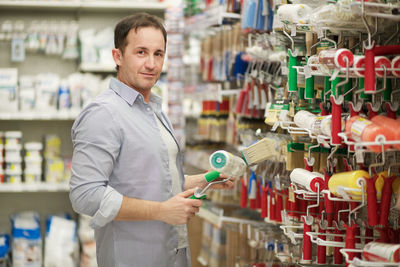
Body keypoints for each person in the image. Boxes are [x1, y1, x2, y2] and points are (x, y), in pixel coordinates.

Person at [69, 13, 234, 267]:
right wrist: (161, 211)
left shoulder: (152, 108)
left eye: (158, 54)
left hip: (172, 252)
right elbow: (85, 194)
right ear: (117, 56)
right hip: (133, 257)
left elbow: (149, 180)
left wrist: (203, 179)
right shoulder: (104, 114)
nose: (151, 63)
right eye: (141, 52)